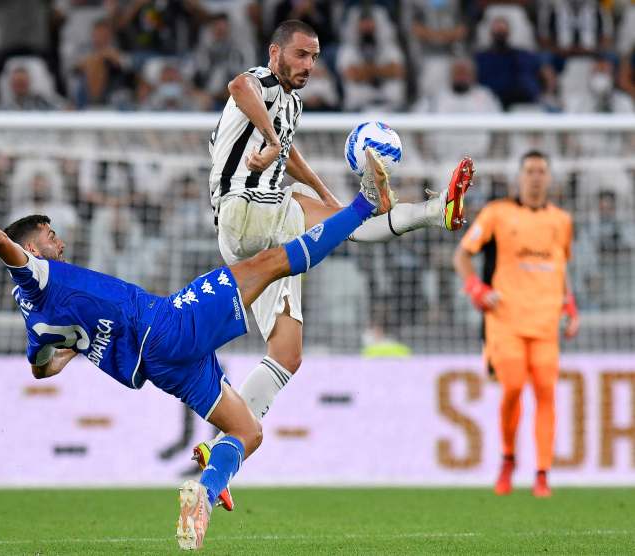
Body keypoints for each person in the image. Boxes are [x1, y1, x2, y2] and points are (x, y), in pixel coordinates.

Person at [0, 148, 392, 550]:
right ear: (31, 246)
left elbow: (40, 370)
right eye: (50, 235)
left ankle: (205, 490)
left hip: (157, 365)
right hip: (167, 326)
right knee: (271, 261)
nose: (59, 241)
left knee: (247, 431)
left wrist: (77, 348)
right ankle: (365, 205)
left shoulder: (35, 316)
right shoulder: (35, 273)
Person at [201, 18, 475, 510]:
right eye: (301, 55)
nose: (309, 65)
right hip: (246, 205)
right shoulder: (261, 82)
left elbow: (290, 153)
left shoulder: (294, 104)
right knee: (348, 218)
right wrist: (266, 141)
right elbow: (238, 87)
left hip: (250, 234)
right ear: (276, 51)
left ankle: (220, 452)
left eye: (315, 57)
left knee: (287, 354)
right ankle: (419, 208)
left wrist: (326, 193)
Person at [453, 150, 580, 498]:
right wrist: (476, 288)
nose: (536, 177)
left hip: (545, 322)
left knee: (546, 394)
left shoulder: (561, 221)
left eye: (541, 171)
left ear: (549, 177)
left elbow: (561, 265)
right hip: (504, 320)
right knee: (511, 388)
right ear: (519, 177)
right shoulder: (497, 213)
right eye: (529, 171)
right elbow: (462, 253)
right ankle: (508, 458)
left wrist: (570, 304)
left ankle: (542, 473)